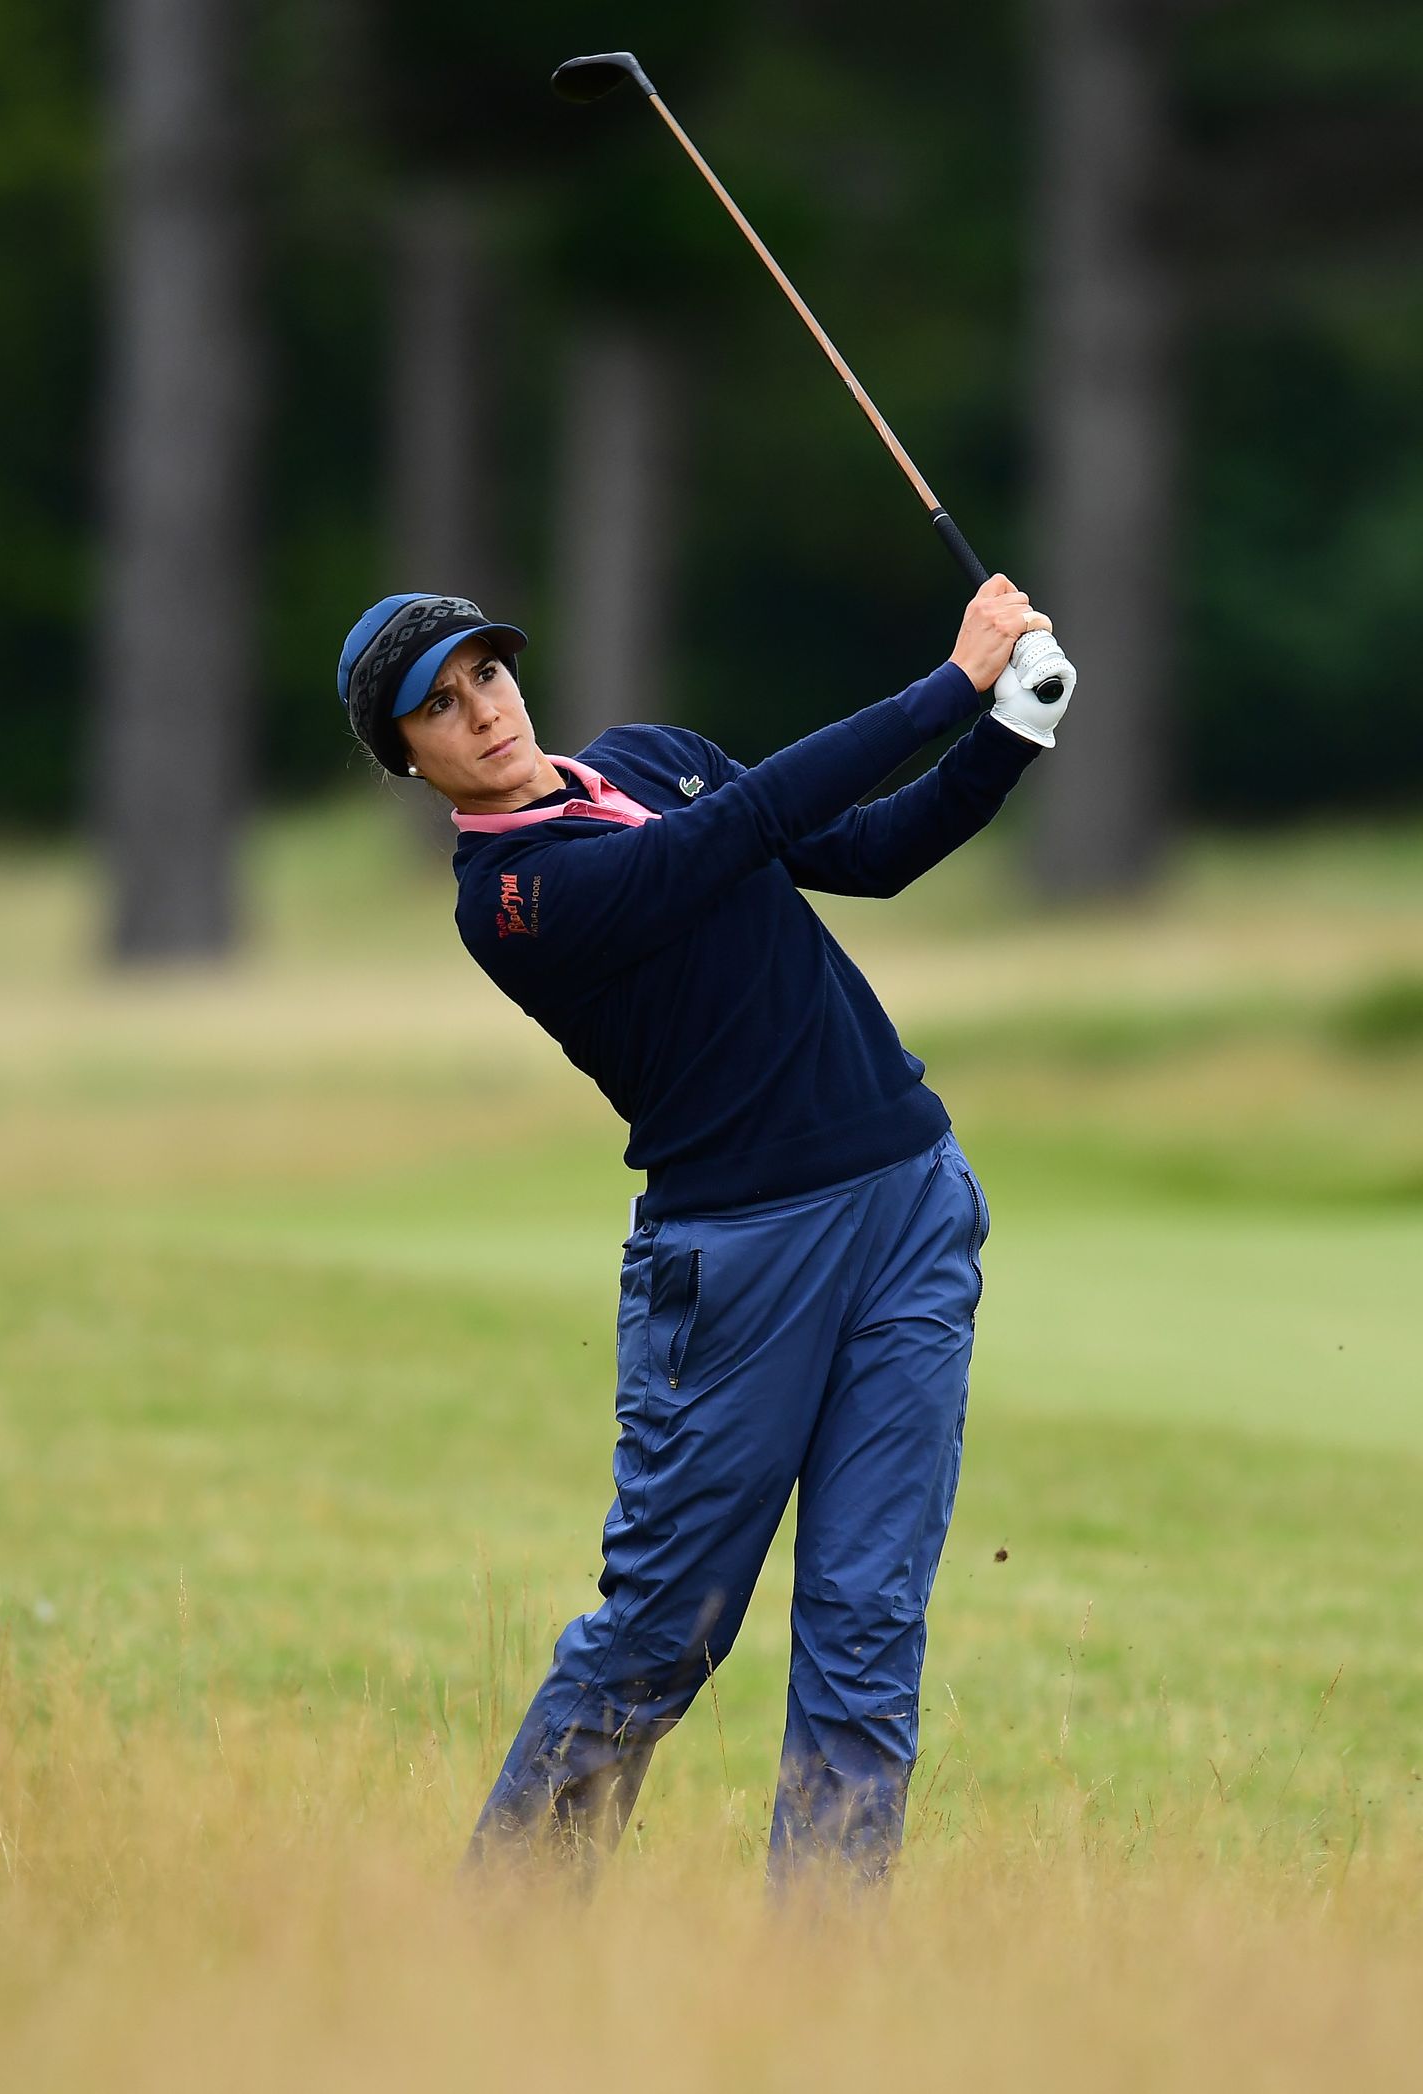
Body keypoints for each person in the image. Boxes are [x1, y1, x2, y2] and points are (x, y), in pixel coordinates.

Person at [336, 578, 1071, 1882]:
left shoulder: (648, 760)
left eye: (484, 677)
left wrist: (1013, 727)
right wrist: (950, 683)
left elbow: (871, 851)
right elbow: (731, 833)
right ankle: (498, 1945)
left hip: (908, 1199)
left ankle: (811, 2001)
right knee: (665, 1631)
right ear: (406, 757)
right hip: (738, 1260)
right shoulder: (510, 897)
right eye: (434, 709)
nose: (479, 713)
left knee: (865, 1632)